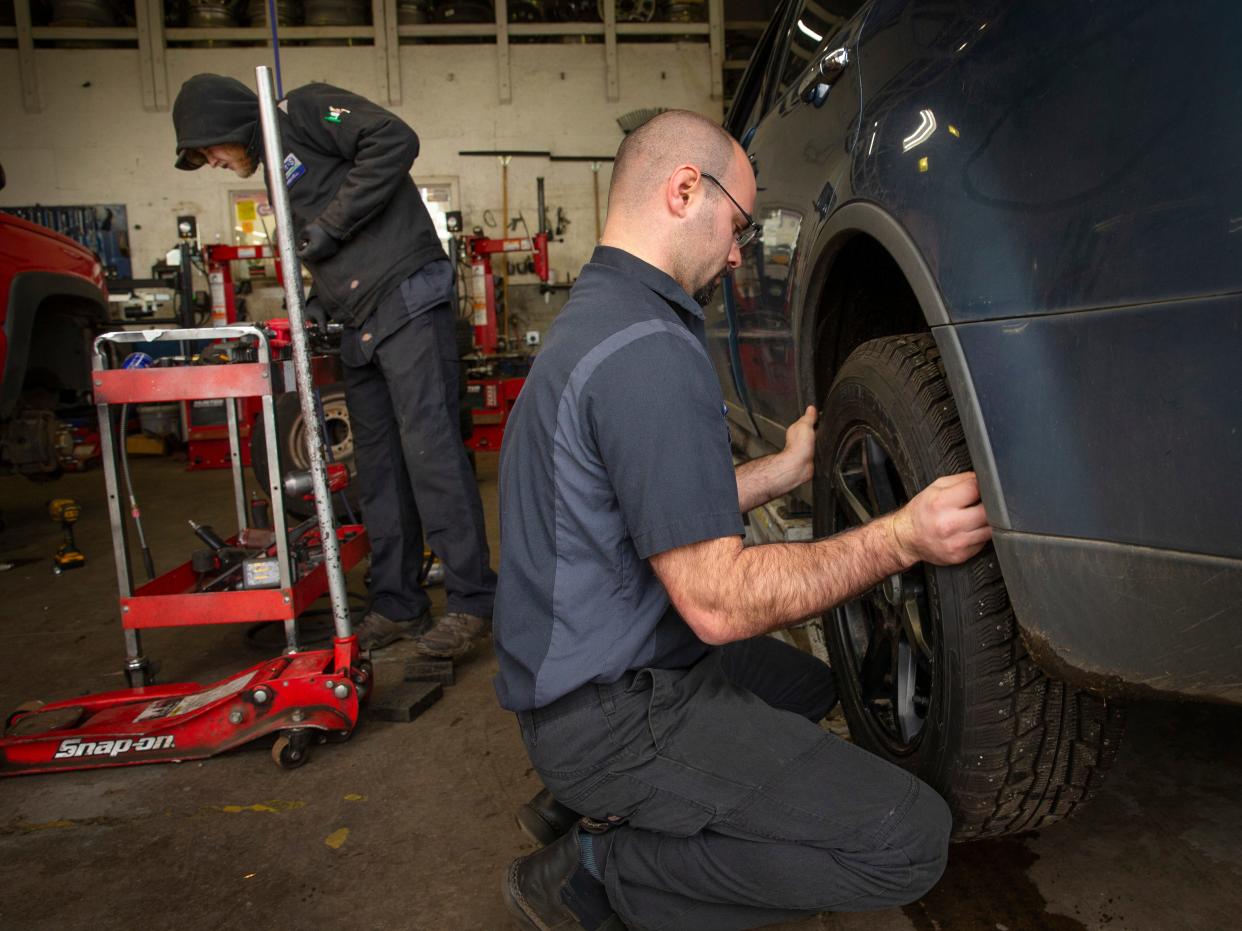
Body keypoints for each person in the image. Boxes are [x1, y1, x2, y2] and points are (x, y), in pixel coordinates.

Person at [492, 110, 993, 931]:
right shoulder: (649, 352)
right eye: (739, 225)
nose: (736, 252)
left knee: (807, 686)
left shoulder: (603, 316)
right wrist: (902, 534)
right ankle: (597, 865)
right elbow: (718, 601)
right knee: (909, 840)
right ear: (685, 189)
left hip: (583, 679)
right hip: (614, 712)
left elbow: (654, 502)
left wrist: (783, 471)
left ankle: (577, 804)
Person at [171, 74, 496, 657]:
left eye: (210, 150)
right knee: (379, 469)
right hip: (358, 322)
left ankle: (473, 602)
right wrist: (315, 308)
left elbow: (394, 139)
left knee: (431, 454)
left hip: (406, 297)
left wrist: (328, 227)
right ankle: (399, 603)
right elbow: (325, 255)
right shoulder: (275, 168)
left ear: (224, 124)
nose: (214, 162)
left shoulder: (303, 110)